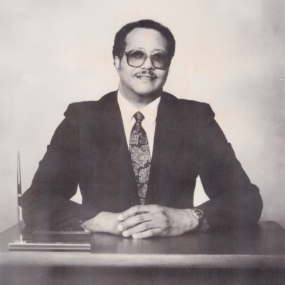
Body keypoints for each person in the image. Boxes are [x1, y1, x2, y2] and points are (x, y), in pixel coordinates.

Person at [21, 19, 263, 239]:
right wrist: (99, 220)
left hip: (177, 262)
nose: (148, 66)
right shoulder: (81, 120)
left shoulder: (195, 119)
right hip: (101, 264)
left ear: (168, 66)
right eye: (136, 55)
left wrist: (188, 218)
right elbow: (36, 200)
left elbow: (247, 199)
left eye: (158, 57)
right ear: (117, 62)